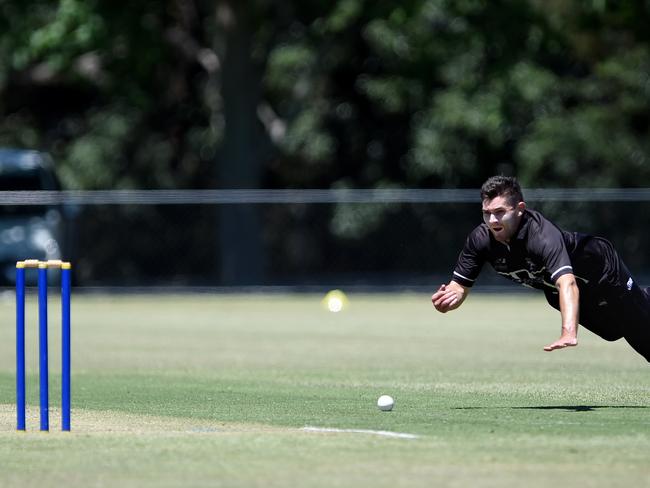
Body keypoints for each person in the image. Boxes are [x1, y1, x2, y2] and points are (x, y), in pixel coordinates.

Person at [431, 175, 649, 363]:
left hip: (602, 270)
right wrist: (450, 300)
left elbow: (567, 282)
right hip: (556, 292)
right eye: (486, 213)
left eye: (499, 212)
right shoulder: (480, 240)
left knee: (637, 330)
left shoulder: (541, 235)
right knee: (611, 332)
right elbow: (459, 286)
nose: (492, 220)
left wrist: (568, 332)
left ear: (520, 209)